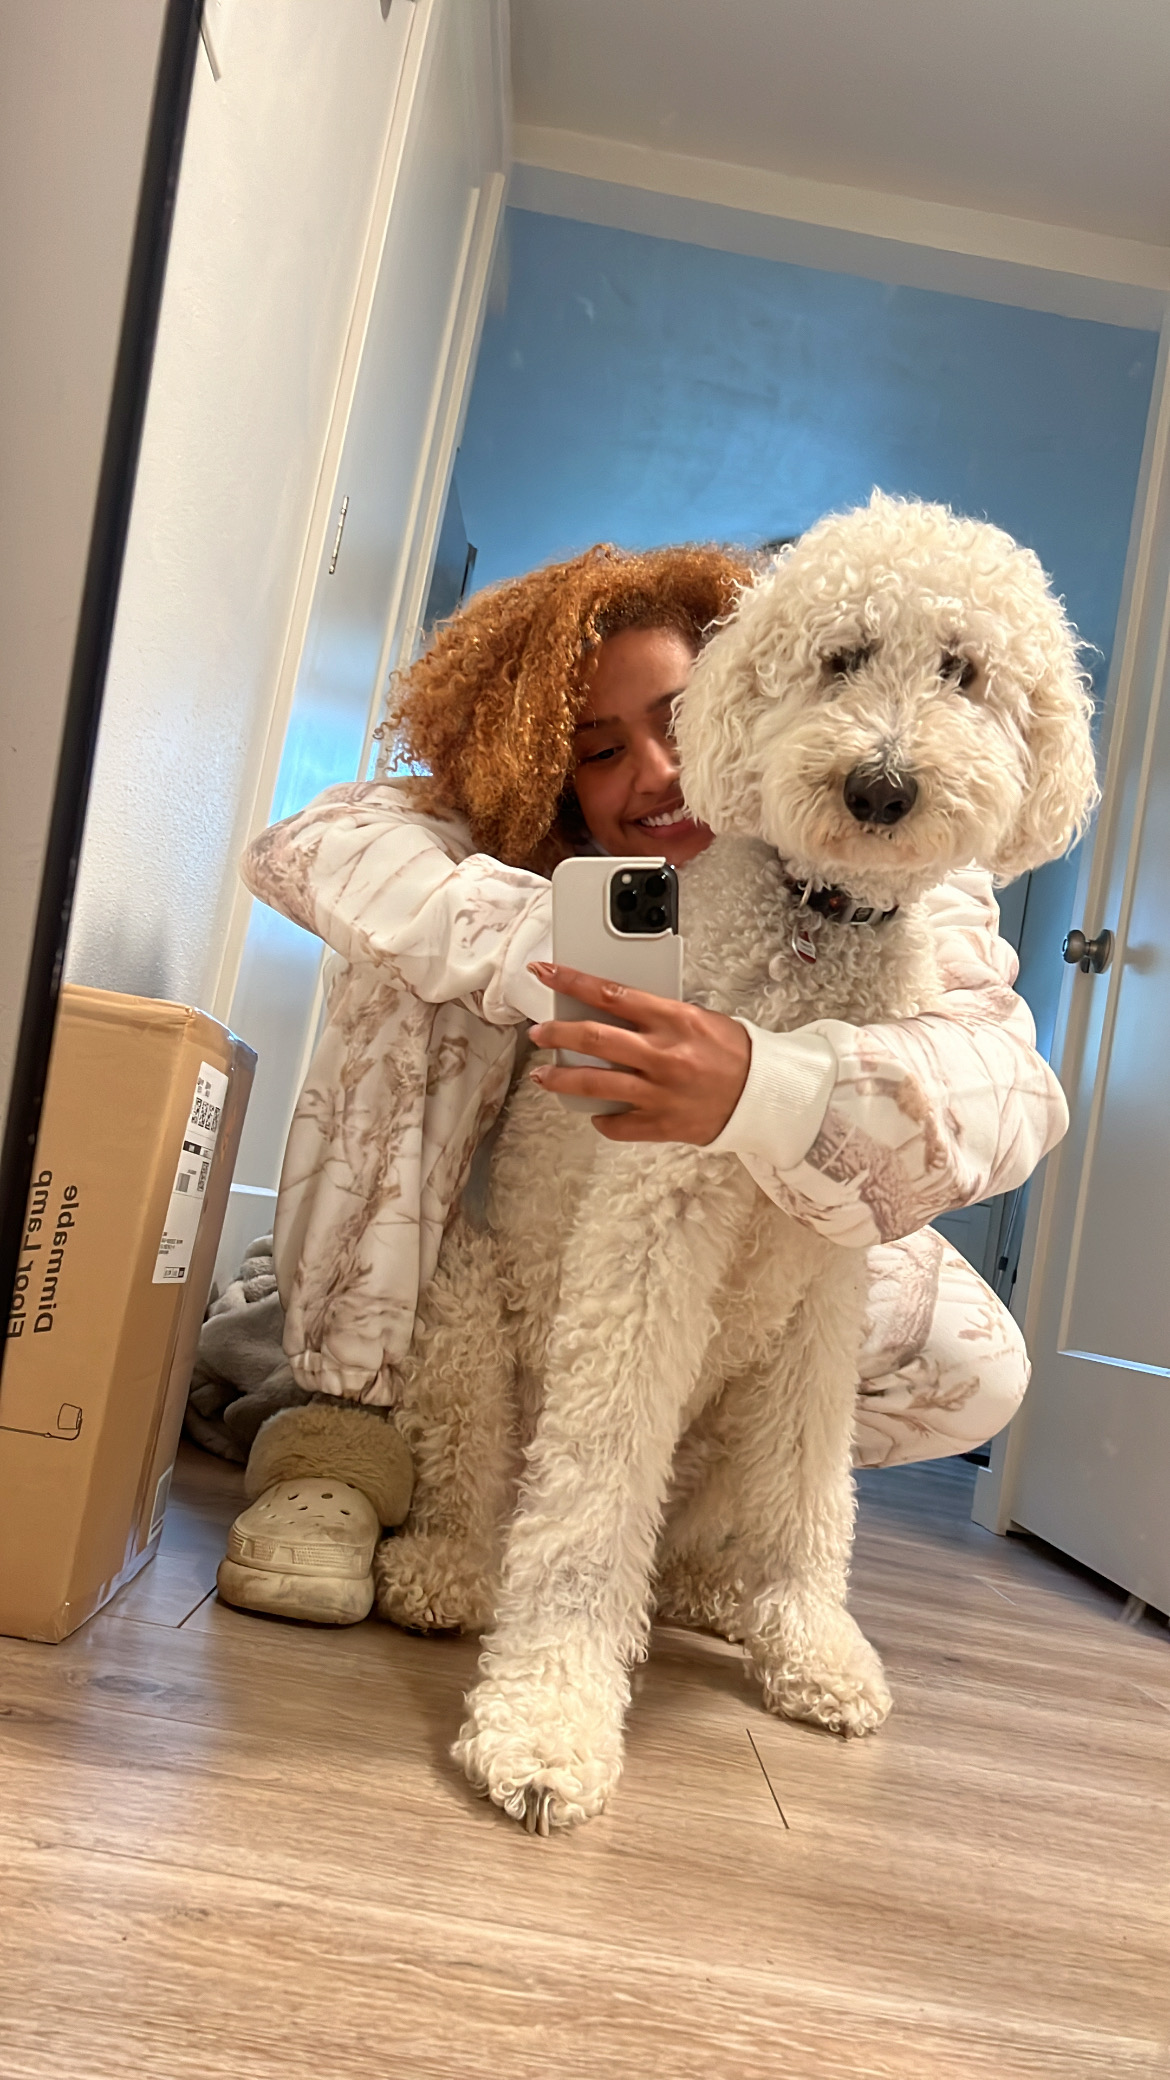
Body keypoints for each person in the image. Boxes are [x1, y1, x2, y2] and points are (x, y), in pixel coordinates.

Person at [216, 542, 1064, 1626]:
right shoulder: (513, 844)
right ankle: (344, 1431)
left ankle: (682, 1527)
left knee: (973, 1361)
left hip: (742, 1244)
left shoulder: (901, 871)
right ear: (548, 770)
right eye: (600, 751)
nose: (661, 773)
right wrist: (594, 956)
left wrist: (762, 1082)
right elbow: (308, 846)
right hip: (477, 1248)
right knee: (397, 968)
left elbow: (1007, 1085)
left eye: (679, 719)